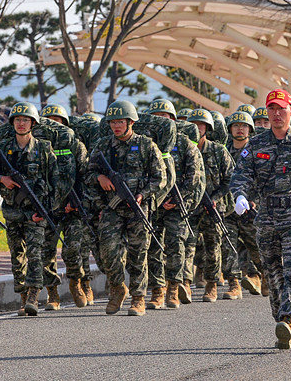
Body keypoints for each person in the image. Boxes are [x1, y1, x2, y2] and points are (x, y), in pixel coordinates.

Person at [231, 89, 291, 349]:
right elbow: (241, 174)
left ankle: (289, 318)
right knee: (273, 274)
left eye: (281, 109)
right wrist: (239, 195)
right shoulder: (256, 144)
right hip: (266, 217)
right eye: (271, 109)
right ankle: (283, 322)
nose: (276, 114)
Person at [87, 100, 166, 316]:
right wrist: (100, 177)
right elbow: (88, 173)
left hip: (138, 209)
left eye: (120, 121)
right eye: (113, 122)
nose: (116, 126)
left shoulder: (146, 145)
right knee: (108, 252)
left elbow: (160, 177)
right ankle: (117, 289)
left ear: (131, 122)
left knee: (138, 254)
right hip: (112, 209)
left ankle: (138, 298)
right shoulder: (103, 146)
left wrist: (143, 194)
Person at [0, 102, 61, 316]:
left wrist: (46, 210)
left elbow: (55, 182)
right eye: (17, 120)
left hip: (36, 211)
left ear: (33, 123)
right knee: (17, 256)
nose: (21, 123)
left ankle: (33, 294)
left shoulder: (43, 149)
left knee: (35, 254)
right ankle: (22, 295)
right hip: (13, 211)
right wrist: (1, 179)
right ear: (12, 122)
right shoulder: (3, 148)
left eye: (25, 120)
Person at [148, 98, 205, 308]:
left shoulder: (185, 144)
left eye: (164, 118)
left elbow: (194, 176)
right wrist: (155, 199)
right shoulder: (146, 143)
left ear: (173, 120)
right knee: (152, 248)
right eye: (155, 118)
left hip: (176, 204)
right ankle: (157, 290)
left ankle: (173, 288)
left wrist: (176, 200)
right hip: (153, 204)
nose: (160, 122)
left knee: (176, 246)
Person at [40, 104, 90, 308]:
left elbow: (85, 176)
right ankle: (52, 293)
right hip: (47, 208)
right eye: (49, 121)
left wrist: (76, 201)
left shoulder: (76, 146)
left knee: (73, 250)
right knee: (46, 251)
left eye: (57, 121)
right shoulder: (37, 146)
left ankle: (77, 283)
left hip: (72, 208)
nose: (54, 125)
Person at [187, 108, 239, 301]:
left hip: (213, 206)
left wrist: (216, 198)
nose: (197, 128)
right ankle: (183, 283)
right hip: (190, 206)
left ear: (207, 128)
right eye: (193, 125)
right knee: (186, 245)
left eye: (200, 125)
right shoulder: (184, 149)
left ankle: (212, 284)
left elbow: (231, 179)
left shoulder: (218, 151)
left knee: (213, 246)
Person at [225, 111, 266, 296]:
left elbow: (263, 179)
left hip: (251, 208)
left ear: (250, 129)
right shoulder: (223, 150)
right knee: (228, 245)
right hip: (228, 208)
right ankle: (234, 283)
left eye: (243, 126)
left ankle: (264, 275)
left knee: (255, 245)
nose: (239, 129)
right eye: (236, 125)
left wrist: (255, 201)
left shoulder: (258, 150)